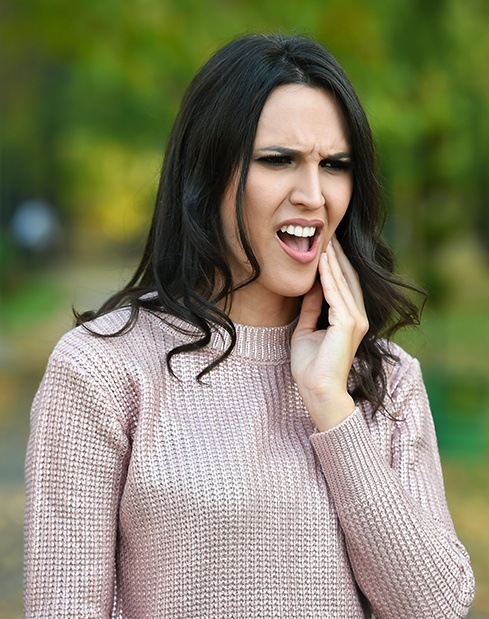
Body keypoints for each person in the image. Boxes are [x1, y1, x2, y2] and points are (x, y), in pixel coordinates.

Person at [24, 33, 475, 618]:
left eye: (334, 166)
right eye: (278, 160)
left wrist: (329, 403)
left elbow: (437, 608)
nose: (313, 195)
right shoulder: (103, 370)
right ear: (206, 173)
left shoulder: (386, 381)